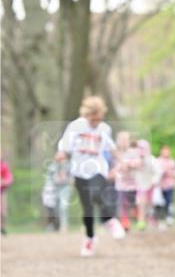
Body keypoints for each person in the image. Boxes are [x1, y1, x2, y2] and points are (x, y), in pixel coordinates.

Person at [55, 95, 125, 256]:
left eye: (99, 119)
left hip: (98, 168)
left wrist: (122, 161)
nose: (96, 123)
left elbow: (112, 148)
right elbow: (65, 147)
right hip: (79, 170)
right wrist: (61, 154)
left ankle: (109, 221)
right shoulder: (75, 126)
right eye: (93, 119)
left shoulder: (104, 129)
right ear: (86, 115)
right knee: (87, 208)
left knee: (96, 194)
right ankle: (90, 238)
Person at [113, 131, 142, 231]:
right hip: (121, 184)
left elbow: (138, 163)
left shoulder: (134, 152)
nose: (124, 142)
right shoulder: (115, 153)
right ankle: (125, 223)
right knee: (122, 203)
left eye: (126, 140)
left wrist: (129, 164)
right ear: (118, 141)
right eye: (121, 140)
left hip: (133, 184)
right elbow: (114, 168)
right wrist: (120, 167)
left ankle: (137, 216)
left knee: (134, 203)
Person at [42, 157, 72, 231]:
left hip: (65, 187)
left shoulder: (69, 166)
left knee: (63, 207)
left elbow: (72, 178)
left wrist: (66, 180)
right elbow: (48, 178)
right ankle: (55, 226)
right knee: (54, 208)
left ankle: (64, 226)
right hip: (54, 188)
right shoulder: (52, 166)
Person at [156, 145, 175, 226]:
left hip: (170, 185)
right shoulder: (158, 161)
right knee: (161, 203)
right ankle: (161, 218)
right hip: (160, 185)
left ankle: (169, 217)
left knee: (169, 201)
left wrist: (171, 174)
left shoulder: (172, 161)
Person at [0, 159, 13, 235]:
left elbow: (9, 177)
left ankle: (2, 227)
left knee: (3, 211)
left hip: (2, 191)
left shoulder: (3, 165)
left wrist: (4, 182)